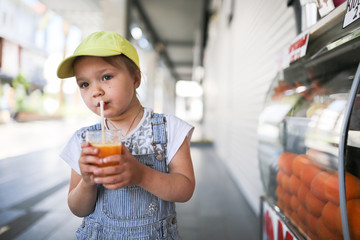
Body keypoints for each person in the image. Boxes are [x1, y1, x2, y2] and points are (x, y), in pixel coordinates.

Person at [57, 31, 195, 239]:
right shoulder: (83, 140)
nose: (95, 91)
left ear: (136, 79)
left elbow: (185, 189)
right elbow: (78, 209)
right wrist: (87, 182)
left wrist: (141, 175)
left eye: (106, 77)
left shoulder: (168, 129)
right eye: (84, 84)